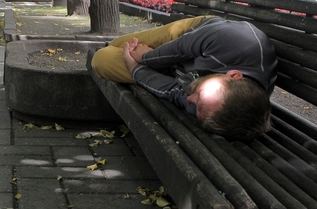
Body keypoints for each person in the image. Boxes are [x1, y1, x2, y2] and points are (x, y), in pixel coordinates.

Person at [90, 16, 277, 141]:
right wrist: (145, 57)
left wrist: (135, 68)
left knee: (102, 59)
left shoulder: (209, 108)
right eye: (200, 95)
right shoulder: (236, 40)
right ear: (234, 76)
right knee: (118, 44)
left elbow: (172, 92)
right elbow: (180, 48)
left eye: (196, 107)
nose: (190, 99)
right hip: (186, 36)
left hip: (177, 71)